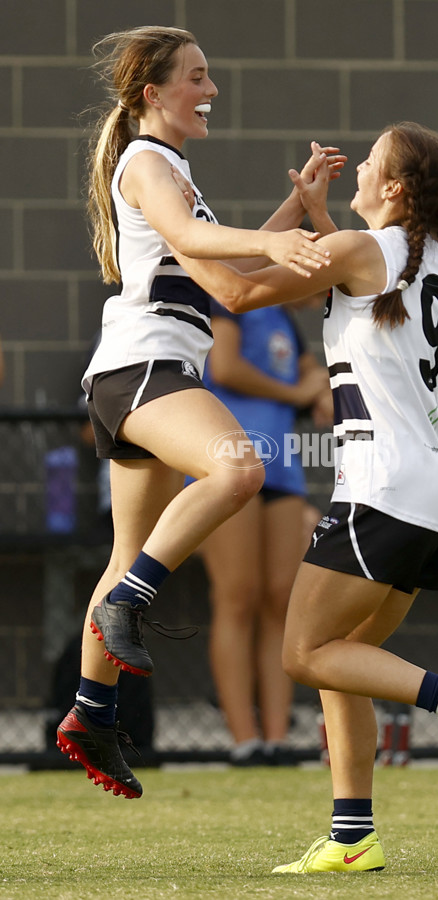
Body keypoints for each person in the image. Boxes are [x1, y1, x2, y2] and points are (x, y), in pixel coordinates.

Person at [169, 121, 438, 873]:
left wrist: (177, 231)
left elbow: (238, 290)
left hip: (378, 489)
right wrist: (317, 217)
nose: (357, 164)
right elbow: (361, 287)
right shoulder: (430, 264)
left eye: (371, 160)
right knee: (343, 657)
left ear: (394, 188)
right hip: (428, 497)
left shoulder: (366, 251)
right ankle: (353, 835)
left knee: (305, 652)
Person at [55, 25, 344, 800]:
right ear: (154, 93)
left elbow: (232, 270)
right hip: (142, 368)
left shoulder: (172, 166)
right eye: (198, 77)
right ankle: (131, 603)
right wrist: (275, 244)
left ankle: (89, 712)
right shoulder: (148, 162)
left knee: (126, 553)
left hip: (136, 374)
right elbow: (193, 239)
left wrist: (295, 208)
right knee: (239, 467)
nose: (211, 90)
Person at [196, 299, 331, 766]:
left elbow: (317, 378)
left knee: (280, 599)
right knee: (238, 595)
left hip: (284, 473)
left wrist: (319, 391)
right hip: (230, 465)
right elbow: (226, 367)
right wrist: (295, 393)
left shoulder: (287, 323)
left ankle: (276, 740)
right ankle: (243, 740)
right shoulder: (229, 303)